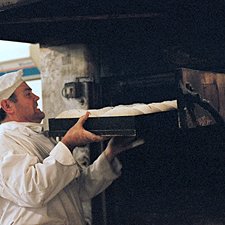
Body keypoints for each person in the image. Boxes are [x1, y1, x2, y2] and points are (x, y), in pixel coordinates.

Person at [0, 70, 144, 225]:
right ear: (7, 105)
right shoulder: (4, 140)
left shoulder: (39, 138)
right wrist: (68, 143)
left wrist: (109, 153)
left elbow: (78, 189)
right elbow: (32, 191)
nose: (36, 98)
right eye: (28, 94)